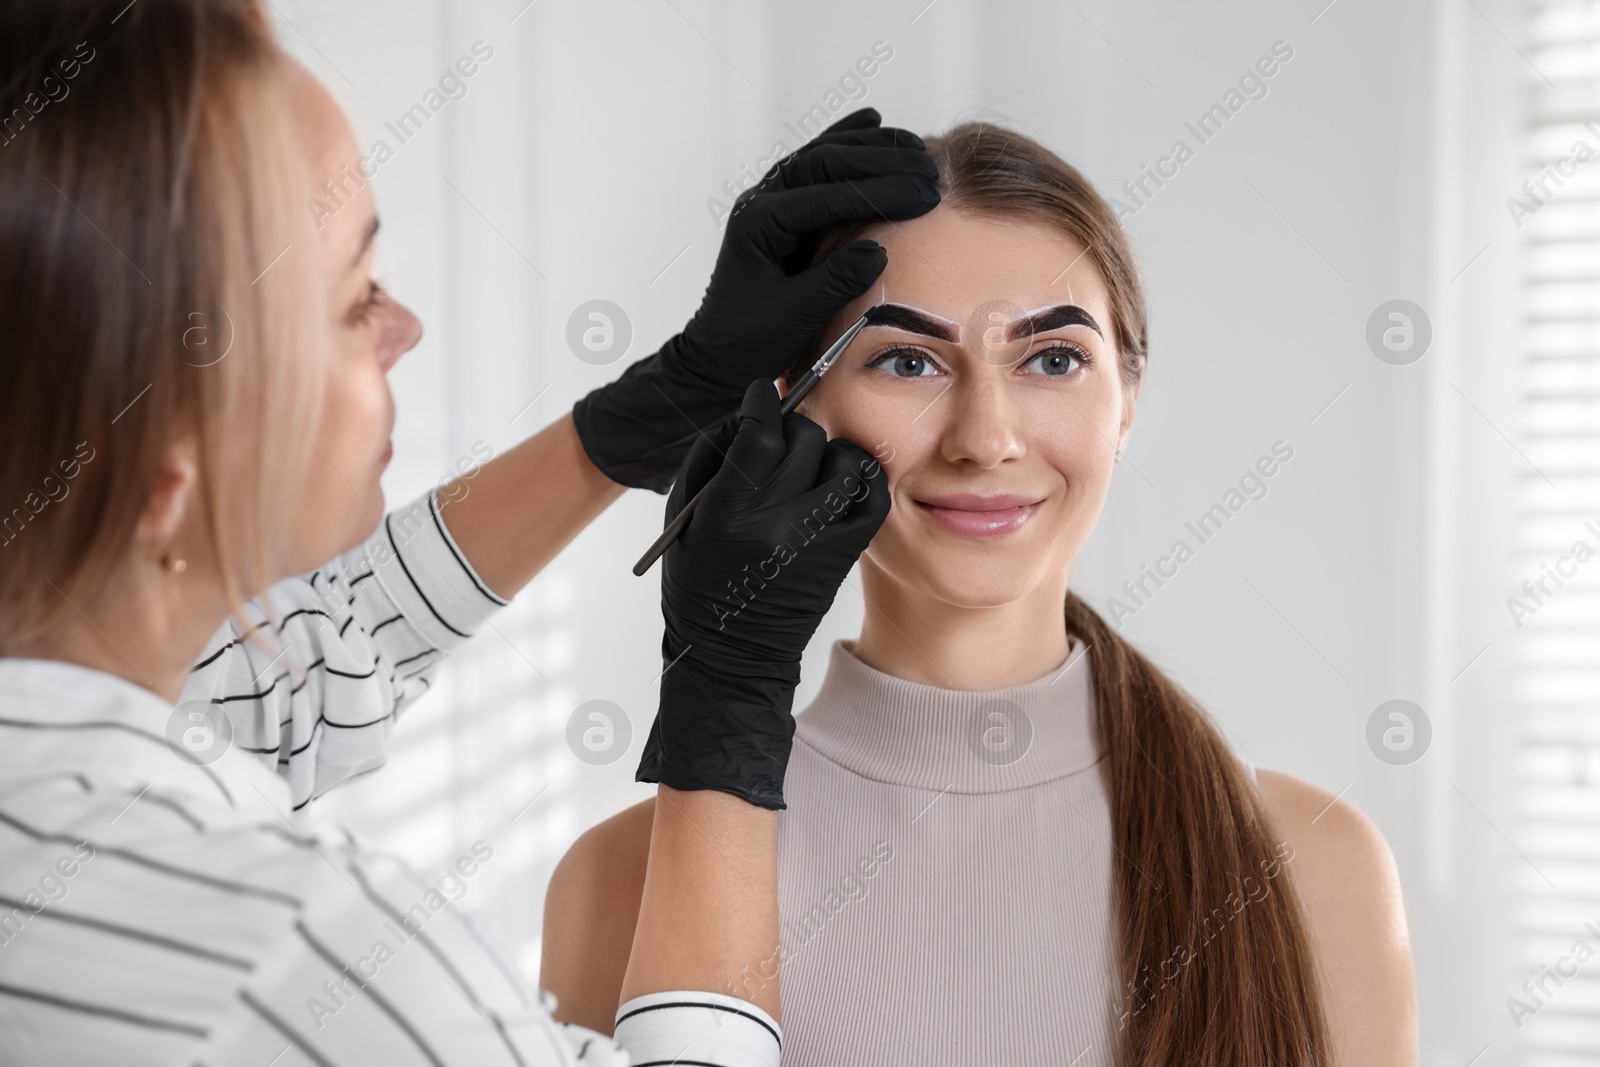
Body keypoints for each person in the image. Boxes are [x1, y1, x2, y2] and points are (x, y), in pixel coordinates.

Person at [0, 0, 928, 1063]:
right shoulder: (287, 958)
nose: (403, 328)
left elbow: (288, 669)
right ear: (167, 469)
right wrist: (729, 697)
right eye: (356, 299)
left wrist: (648, 412)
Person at [542, 123, 1420, 1065]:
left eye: (1052, 359)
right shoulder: (618, 882)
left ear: (1127, 401)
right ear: (796, 405)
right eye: (907, 361)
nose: (985, 437)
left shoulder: (1312, 867)